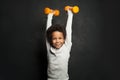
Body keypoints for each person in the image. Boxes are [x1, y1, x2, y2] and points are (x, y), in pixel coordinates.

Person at [45, 9, 73, 80]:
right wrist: (50, 16)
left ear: (64, 39)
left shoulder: (66, 47)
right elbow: (47, 32)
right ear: (50, 40)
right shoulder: (49, 49)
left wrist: (70, 14)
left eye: (60, 38)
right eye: (54, 38)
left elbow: (69, 31)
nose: (57, 41)